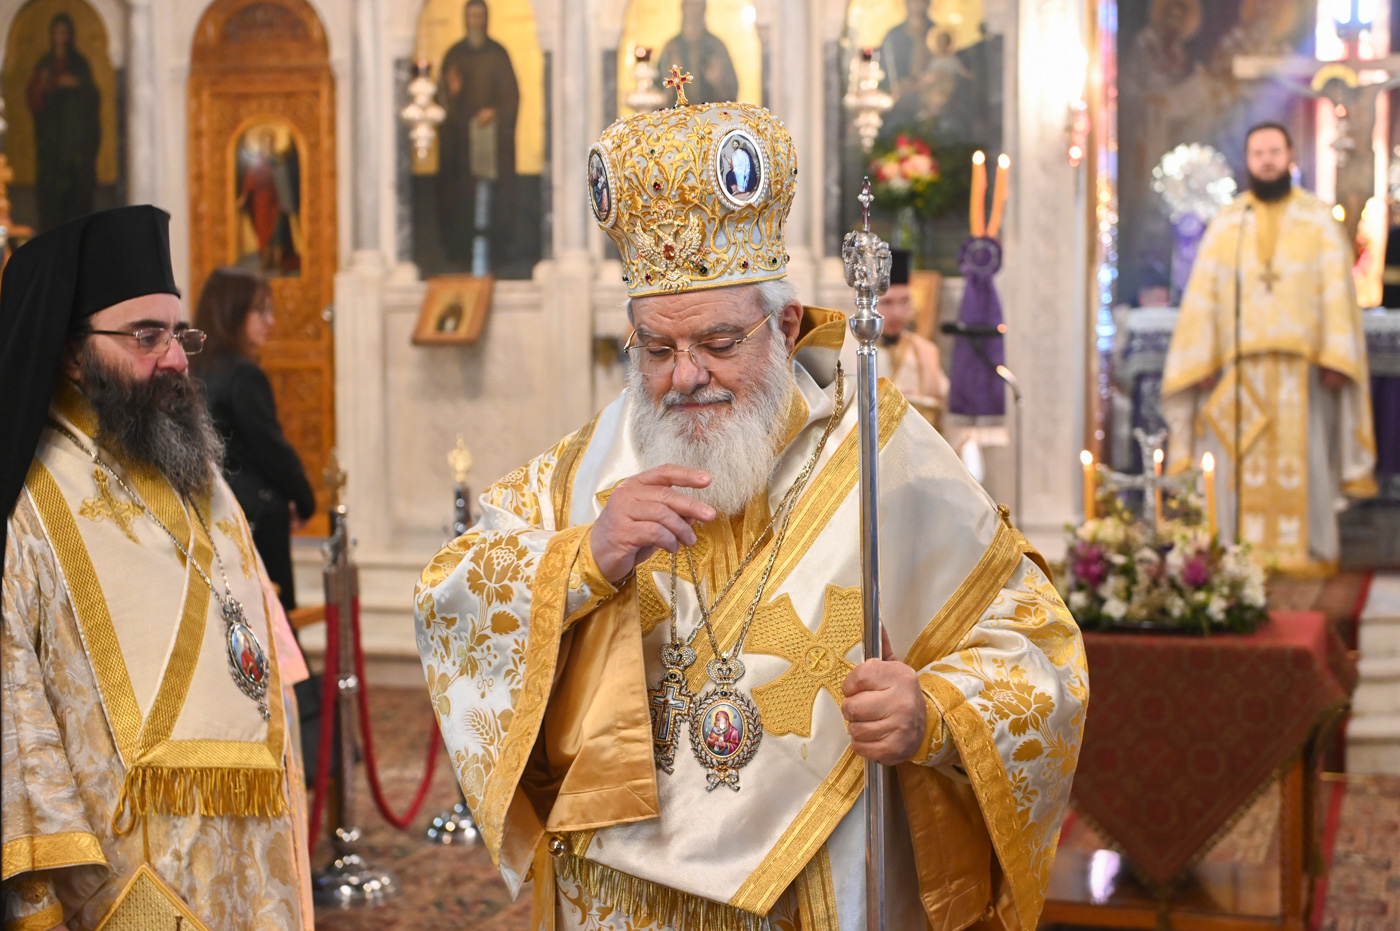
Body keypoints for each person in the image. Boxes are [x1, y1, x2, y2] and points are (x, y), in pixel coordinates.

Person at [416, 96, 1086, 929]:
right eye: (656, 348)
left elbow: (1042, 651)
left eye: (719, 343)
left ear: (786, 324)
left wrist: (936, 713)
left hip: (810, 890)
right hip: (617, 892)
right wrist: (582, 558)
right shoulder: (591, 467)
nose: (685, 375)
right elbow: (452, 594)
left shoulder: (885, 456)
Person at [0, 206, 313, 929]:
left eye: (180, 334)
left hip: (251, 863)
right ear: (72, 352)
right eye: (147, 336)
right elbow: (17, 727)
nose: (175, 359)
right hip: (122, 894)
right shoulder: (29, 510)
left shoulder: (200, 475)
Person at [1162, 123, 1377, 574]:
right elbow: (1205, 295)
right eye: (1258, 152)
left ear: (1290, 155)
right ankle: (1237, 556)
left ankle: (1310, 551)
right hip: (1239, 371)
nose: (1266, 160)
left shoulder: (1317, 219)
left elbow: (1336, 292)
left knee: (1306, 460)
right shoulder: (1229, 222)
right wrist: (1202, 359)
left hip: (1303, 371)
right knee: (1236, 463)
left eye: (1274, 151)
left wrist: (1335, 356)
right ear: (1247, 160)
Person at [191, 267, 316, 614]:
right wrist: (304, 499)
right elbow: (270, 447)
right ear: (232, 312)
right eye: (260, 311)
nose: (271, 321)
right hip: (254, 515)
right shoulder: (242, 375)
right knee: (273, 620)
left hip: (212, 509)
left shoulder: (195, 367)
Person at [437, 0, 520, 273]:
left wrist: (494, 112)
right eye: (471, 16)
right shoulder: (454, 55)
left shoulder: (498, 54)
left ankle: (498, 258)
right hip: (461, 147)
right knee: (461, 201)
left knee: (496, 200)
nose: (476, 21)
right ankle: (459, 257)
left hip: (493, 143)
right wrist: (452, 92)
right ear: (465, 19)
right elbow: (442, 102)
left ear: (487, 18)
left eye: (480, 16)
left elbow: (512, 97)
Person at [25, 13, 101, 232]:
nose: (60, 36)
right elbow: (33, 97)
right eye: (57, 32)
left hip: (75, 143)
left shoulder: (79, 64)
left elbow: (92, 95)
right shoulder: (44, 64)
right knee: (51, 197)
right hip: (51, 142)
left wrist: (76, 84)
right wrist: (43, 85)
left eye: (64, 32)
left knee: (76, 197)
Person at [873, 248, 950, 429]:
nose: (898, 314)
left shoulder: (926, 351)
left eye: (905, 301)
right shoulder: (842, 351)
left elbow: (939, 412)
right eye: (887, 302)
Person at [658, 0, 739, 105]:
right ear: (683, 8)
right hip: (678, 114)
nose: (693, 11)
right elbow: (657, 92)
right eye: (690, 5)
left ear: (704, 8)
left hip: (710, 113)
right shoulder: (672, 48)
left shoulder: (717, 47)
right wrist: (669, 79)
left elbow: (732, 94)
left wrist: (718, 82)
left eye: (697, 5)